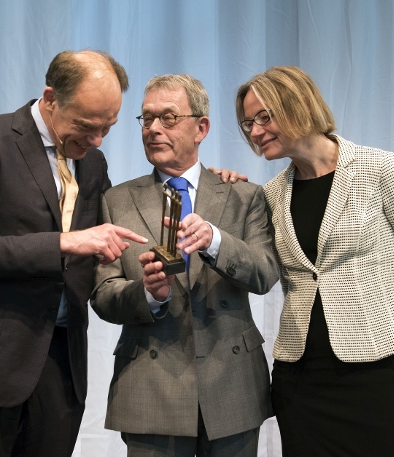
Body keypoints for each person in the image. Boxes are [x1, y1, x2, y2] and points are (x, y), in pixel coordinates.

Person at [0, 50, 149, 457]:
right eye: (87, 126)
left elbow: (119, 222)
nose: (96, 141)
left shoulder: (94, 163)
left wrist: (213, 186)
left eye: (108, 128)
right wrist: (64, 242)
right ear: (51, 98)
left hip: (61, 368)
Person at [235, 66, 394, 456]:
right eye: (248, 123)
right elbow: (255, 264)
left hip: (377, 374)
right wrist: (224, 189)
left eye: (264, 117)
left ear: (297, 104)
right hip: (300, 380)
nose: (255, 131)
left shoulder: (379, 168)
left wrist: (384, 326)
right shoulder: (271, 193)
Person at [91, 74, 279, 457]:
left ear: (201, 127)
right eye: (146, 119)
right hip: (150, 390)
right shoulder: (116, 201)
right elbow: (102, 294)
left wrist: (217, 240)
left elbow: (265, 274)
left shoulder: (244, 196)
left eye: (169, 117)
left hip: (232, 387)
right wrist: (146, 293)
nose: (154, 129)